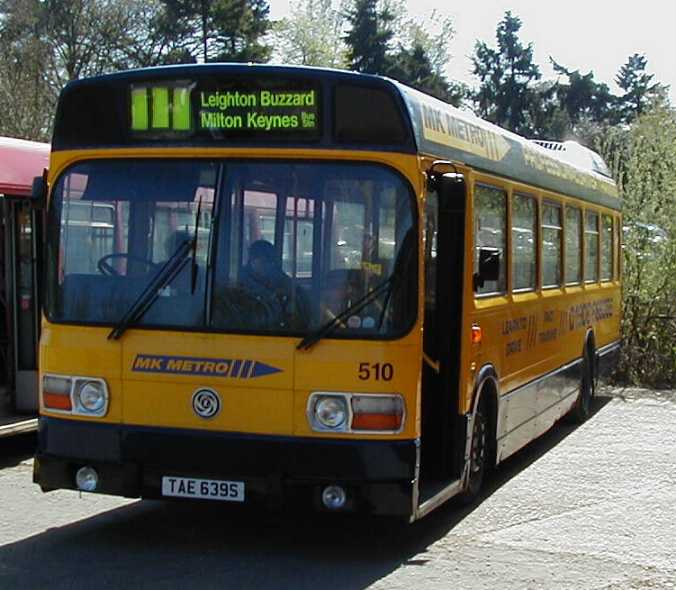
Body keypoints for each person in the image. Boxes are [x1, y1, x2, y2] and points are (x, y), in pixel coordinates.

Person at [239, 240, 308, 329]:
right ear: (252, 260)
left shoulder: (275, 273)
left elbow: (293, 288)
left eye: (270, 261)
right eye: (263, 261)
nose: (267, 265)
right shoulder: (241, 280)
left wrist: (287, 292)